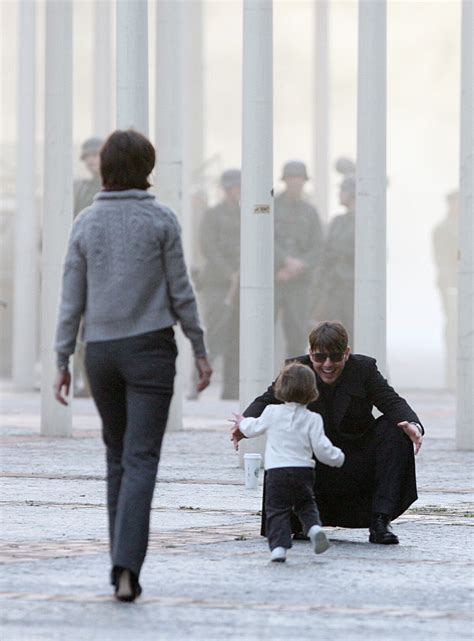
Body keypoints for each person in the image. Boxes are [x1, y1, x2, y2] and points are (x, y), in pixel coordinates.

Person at [53, 130, 212, 602]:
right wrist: (200, 348)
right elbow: (181, 290)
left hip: (99, 353)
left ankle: (118, 564)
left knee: (116, 458)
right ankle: (127, 567)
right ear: (148, 168)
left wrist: (62, 358)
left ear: (103, 168)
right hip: (150, 351)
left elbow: (70, 299)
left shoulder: (85, 222)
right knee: (141, 458)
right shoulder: (162, 218)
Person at [240, 321, 424, 546]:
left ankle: (380, 520)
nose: (327, 364)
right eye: (319, 358)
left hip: (355, 461)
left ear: (347, 353)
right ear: (310, 354)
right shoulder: (297, 370)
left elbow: (392, 401)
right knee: (282, 441)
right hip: (310, 467)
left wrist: (414, 425)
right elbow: (267, 400)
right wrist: (243, 425)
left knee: (396, 428)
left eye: (335, 357)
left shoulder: (364, 369)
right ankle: (301, 522)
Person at [231, 362, 345, 563]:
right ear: (312, 390)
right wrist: (338, 457)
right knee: (306, 504)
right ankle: (314, 528)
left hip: (277, 472)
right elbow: (321, 448)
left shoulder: (271, 412)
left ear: (281, 388)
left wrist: (242, 422)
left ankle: (279, 549)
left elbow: (252, 429)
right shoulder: (314, 418)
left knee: (277, 510)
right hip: (303, 472)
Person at [198, 169, 241, 399]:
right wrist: (228, 273)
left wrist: (241, 272)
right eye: (234, 187)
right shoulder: (213, 215)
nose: (237, 191)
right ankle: (200, 381)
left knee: (236, 337)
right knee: (215, 334)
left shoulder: (246, 213)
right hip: (217, 284)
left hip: (241, 283)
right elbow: (208, 247)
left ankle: (231, 389)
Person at [275, 161, 324, 358]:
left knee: (296, 336)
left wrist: (300, 265)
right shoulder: (269, 207)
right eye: (291, 178)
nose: (295, 182)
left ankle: (293, 382)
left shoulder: (310, 212)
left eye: (299, 179)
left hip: (299, 283)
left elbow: (318, 246)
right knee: (259, 329)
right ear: (285, 180)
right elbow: (262, 238)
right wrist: (283, 261)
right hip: (274, 278)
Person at [73, 136, 104, 397]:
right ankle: (85, 380)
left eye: (96, 155)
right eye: (88, 156)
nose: (92, 161)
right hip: (84, 263)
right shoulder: (81, 189)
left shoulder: (113, 184)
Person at [313, 158, 356, 342]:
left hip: (351, 289)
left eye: (343, 190)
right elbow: (326, 253)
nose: (339, 194)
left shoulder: (366, 222)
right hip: (334, 288)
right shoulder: (338, 221)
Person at [432, 190, 459, 390]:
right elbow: (442, 260)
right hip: (452, 285)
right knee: (453, 328)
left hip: (460, 284)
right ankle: (452, 377)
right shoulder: (442, 229)